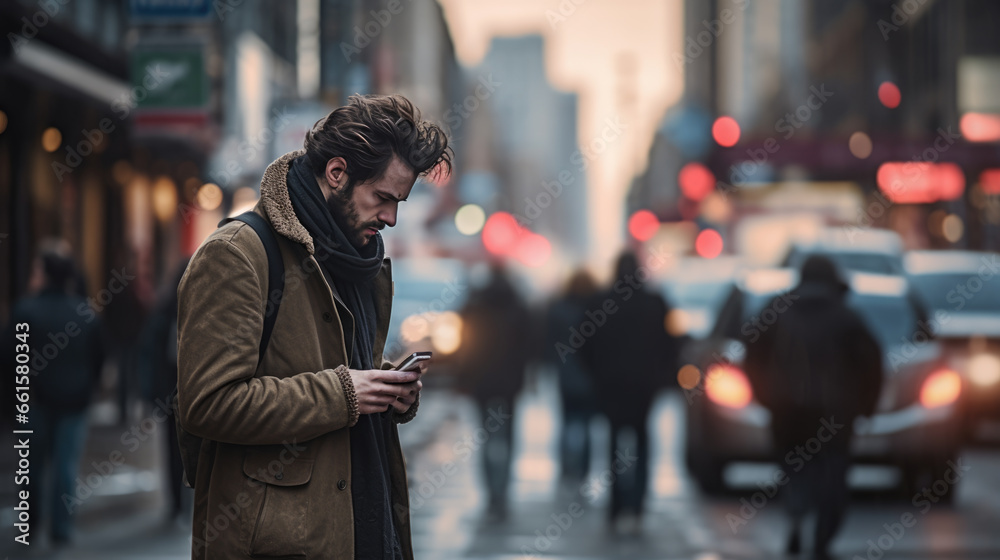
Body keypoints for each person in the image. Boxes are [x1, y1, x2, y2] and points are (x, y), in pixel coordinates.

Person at [176, 94, 450, 559]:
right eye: (382, 198)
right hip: (279, 542)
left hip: (359, 529)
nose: (391, 218)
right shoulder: (238, 254)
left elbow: (327, 365)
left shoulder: (354, 257)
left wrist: (385, 388)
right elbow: (208, 403)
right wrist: (345, 393)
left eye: (399, 202)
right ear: (337, 173)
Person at [744, 255, 883, 560]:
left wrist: (766, 397)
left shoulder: (777, 311)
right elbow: (872, 364)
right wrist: (865, 407)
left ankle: (797, 514)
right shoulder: (847, 316)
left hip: (787, 413)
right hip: (834, 416)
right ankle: (821, 539)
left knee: (794, 471)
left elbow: (751, 353)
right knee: (832, 478)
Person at [2, 240, 105, 546]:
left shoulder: (26, 310)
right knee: (65, 465)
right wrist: (88, 388)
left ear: (44, 274)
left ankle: (29, 523)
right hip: (75, 401)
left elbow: (9, 357)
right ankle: (61, 528)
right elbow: (98, 358)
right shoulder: (85, 313)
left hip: (35, 401)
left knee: (31, 464)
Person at [581, 251, 678, 534]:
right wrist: (661, 378)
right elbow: (668, 346)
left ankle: (616, 505)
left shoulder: (600, 302)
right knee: (642, 440)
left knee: (613, 442)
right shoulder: (654, 302)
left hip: (611, 385)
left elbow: (585, 345)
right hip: (643, 386)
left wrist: (597, 376)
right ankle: (637, 504)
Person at [455, 263, 533, 520]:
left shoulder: (475, 304)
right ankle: (502, 493)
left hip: (482, 382)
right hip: (509, 383)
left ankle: (491, 494)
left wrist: (464, 378)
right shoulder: (519, 305)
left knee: (486, 437)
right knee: (508, 438)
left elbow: (465, 345)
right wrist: (524, 378)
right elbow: (527, 349)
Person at [137, 257, 190, 522]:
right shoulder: (169, 308)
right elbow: (150, 350)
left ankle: (180, 502)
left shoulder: (166, 307)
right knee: (181, 448)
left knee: (175, 449)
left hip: (178, 390)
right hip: (178, 391)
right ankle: (180, 502)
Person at [544, 269, 600, 483]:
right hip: (589, 377)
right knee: (586, 424)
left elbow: (549, 342)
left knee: (567, 421)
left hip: (566, 375)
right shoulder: (596, 309)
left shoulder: (558, 309)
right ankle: (583, 468)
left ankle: (567, 467)